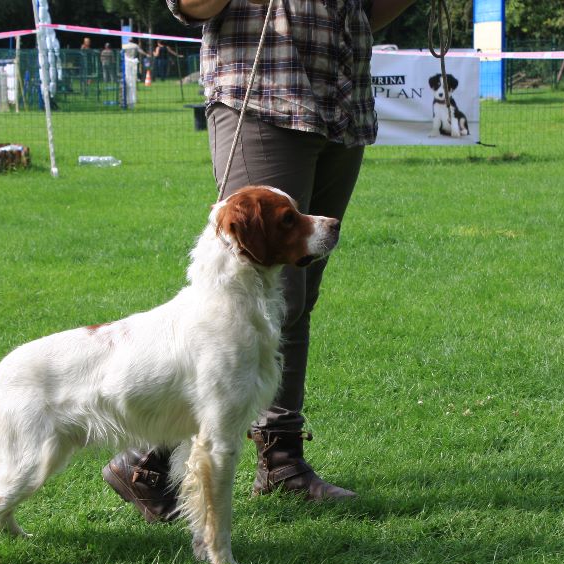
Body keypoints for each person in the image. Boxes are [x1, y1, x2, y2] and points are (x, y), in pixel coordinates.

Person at [103, 0, 417, 522]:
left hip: (341, 101)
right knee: (244, 297)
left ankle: (280, 457)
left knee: (297, 294)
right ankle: (146, 461)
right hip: (265, 91)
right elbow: (188, 5)